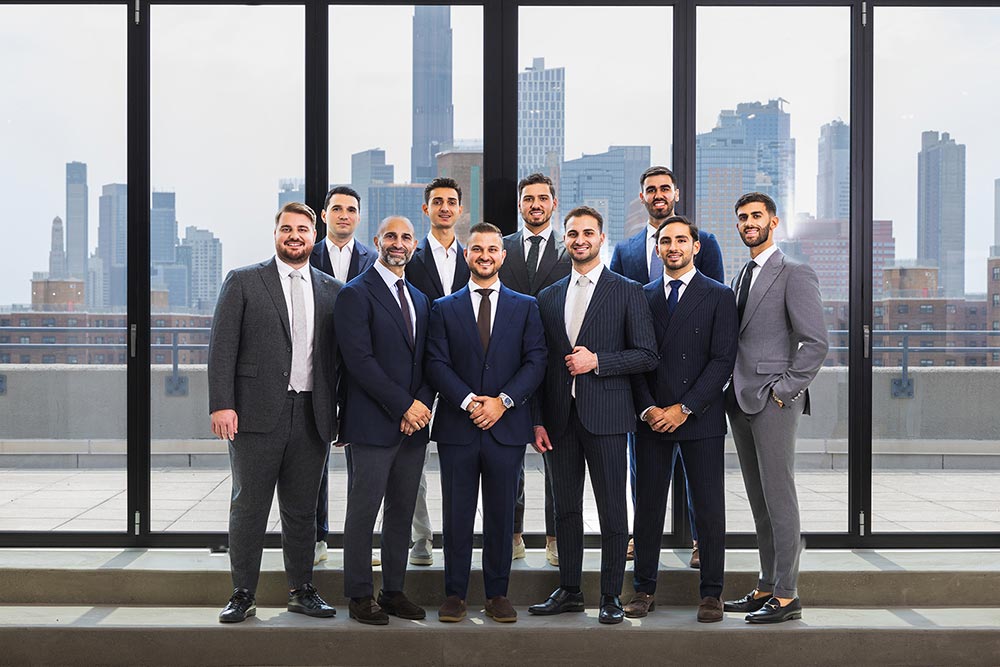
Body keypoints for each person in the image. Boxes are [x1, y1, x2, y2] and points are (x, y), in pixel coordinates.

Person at [209, 202, 341, 623]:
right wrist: (221, 404)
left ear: (314, 236)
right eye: (287, 228)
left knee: (302, 510)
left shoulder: (331, 290)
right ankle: (242, 594)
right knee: (249, 506)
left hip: (312, 414)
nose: (295, 235)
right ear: (275, 234)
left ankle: (301, 590)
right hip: (254, 414)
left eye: (302, 229)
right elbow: (221, 349)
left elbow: (339, 359)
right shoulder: (245, 282)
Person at [527, 206, 658, 625]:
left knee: (613, 512)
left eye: (588, 232)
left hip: (607, 418)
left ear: (602, 238)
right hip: (559, 421)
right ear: (564, 240)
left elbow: (647, 354)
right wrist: (537, 419)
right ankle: (568, 589)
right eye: (572, 233)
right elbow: (540, 363)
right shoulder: (547, 297)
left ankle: (610, 595)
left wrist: (598, 361)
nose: (579, 239)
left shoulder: (627, 290)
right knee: (564, 509)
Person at [425, 222, 547, 623]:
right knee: (457, 516)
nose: (485, 255)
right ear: (467, 255)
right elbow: (436, 363)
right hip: (458, 430)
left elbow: (536, 361)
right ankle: (455, 595)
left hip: (507, 427)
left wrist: (503, 402)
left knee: (500, 515)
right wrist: (467, 401)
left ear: (503, 255)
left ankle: (497, 594)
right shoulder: (443, 308)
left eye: (492, 249)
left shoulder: (525, 306)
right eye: (477, 248)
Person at [610, 165, 725, 568]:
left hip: (695, 384)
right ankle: (642, 543)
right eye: (650, 189)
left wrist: (694, 399)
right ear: (641, 197)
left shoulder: (705, 242)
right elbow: (619, 312)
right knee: (644, 476)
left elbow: (716, 307)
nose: (658, 194)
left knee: (700, 481)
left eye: (664, 188)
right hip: (647, 384)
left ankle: (698, 540)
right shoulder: (625, 251)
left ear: (675, 193)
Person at [624, 215, 738, 623]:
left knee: (708, 509)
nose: (673, 247)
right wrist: (650, 409)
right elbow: (636, 360)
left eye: (681, 240)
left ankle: (712, 593)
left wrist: (684, 408)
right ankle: (643, 589)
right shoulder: (642, 295)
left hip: (700, 418)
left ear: (696, 247)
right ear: (657, 249)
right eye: (665, 241)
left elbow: (723, 360)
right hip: (652, 419)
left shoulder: (719, 295)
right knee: (648, 510)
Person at [722, 192, 828, 624]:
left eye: (756, 216)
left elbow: (816, 343)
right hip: (740, 399)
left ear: (774, 222)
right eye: (743, 217)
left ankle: (787, 594)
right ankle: (767, 583)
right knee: (759, 498)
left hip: (773, 400)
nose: (749, 222)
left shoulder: (794, 273)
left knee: (779, 496)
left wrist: (784, 390)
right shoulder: (740, 275)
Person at [335, 215, 435, 625]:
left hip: (413, 428)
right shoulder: (355, 294)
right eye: (391, 236)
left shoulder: (421, 298)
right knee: (364, 511)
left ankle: (393, 591)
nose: (398, 243)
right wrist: (403, 406)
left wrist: (420, 407)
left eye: (406, 237)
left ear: (414, 245)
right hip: (372, 424)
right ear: (377, 241)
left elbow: (428, 361)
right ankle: (359, 595)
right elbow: (359, 361)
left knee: (401, 510)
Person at [497, 172, 571, 565]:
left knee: (555, 460)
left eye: (543, 198)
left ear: (553, 204)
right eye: (529, 199)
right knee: (511, 460)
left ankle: (555, 537)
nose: (536, 204)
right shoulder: (503, 248)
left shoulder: (569, 249)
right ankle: (513, 532)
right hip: (509, 367)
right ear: (520, 204)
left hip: (556, 366)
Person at [403, 177, 472, 567]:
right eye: (437, 202)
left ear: (460, 210)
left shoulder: (473, 257)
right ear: (426, 210)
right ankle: (421, 537)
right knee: (413, 460)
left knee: (463, 463)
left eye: (451, 202)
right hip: (418, 372)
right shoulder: (409, 259)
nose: (445, 207)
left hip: (465, 375)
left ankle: (466, 537)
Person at [308, 185, 376, 566]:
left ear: (358, 217)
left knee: (362, 465)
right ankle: (317, 537)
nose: (344, 215)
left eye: (351, 209)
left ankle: (359, 541)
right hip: (316, 368)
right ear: (324, 215)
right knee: (314, 462)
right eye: (337, 208)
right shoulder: (309, 254)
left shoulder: (372, 258)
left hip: (358, 373)